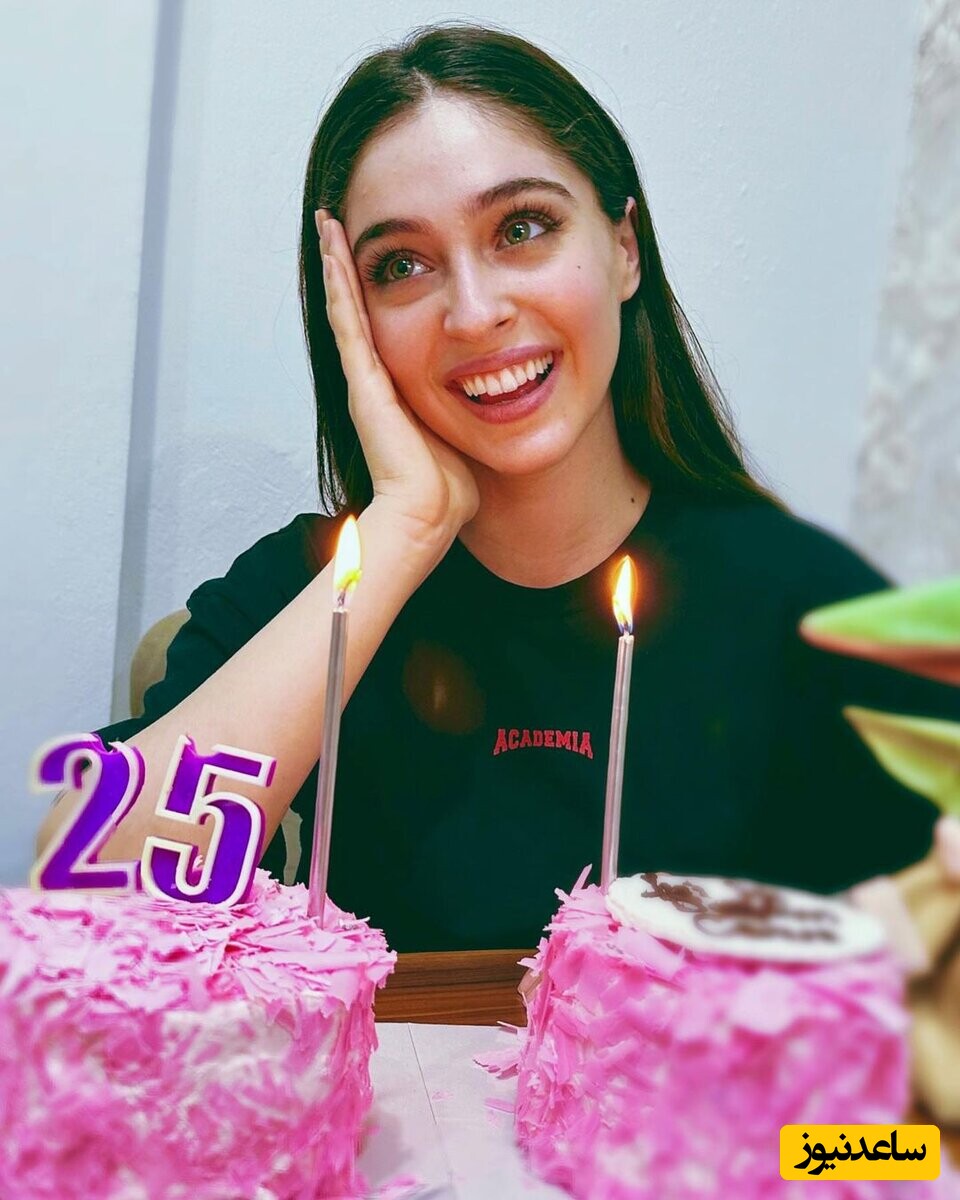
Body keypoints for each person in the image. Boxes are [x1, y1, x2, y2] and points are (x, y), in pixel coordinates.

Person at [39, 24, 957, 951]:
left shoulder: (803, 606)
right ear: (353, 322)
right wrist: (406, 527)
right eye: (401, 266)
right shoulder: (315, 586)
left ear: (625, 247)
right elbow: (90, 891)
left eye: (522, 229)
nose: (475, 313)